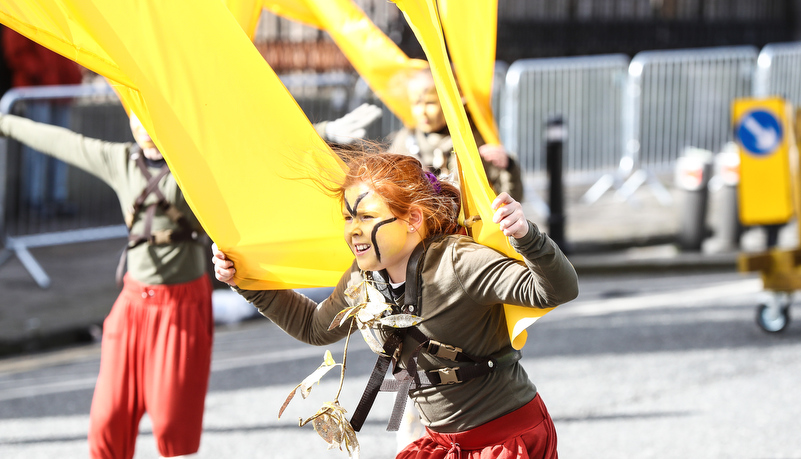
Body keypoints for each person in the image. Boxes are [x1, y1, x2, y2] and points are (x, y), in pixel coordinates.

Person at [212, 151, 578, 458]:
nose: (353, 230)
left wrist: (528, 237)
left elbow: (556, 290)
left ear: (412, 219)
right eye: (347, 218)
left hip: (504, 441)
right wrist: (244, 280)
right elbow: (315, 327)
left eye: (367, 217)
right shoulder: (364, 275)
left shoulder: (459, 262)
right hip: (443, 443)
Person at [0, 111, 213, 458]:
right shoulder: (120, 160)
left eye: (151, 116)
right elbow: (63, 142)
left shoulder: (197, 163)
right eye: (136, 117)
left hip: (182, 309)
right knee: (107, 423)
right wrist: (5, 122)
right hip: (132, 306)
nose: (144, 128)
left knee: (175, 429)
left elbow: (254, 146)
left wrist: (328, 131)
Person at [389, 67, 525, 202]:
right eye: (416, 103)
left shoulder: (472, 139)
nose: (422, 111)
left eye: (430, 102)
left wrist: (509, 167)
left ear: (449, 102)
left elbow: (510, 199)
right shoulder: (406, 140)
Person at [2, 28, 83, 216]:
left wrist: (72, 77)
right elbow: (15, 51)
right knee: (36, 148)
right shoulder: (24, 9)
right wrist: (41, 73)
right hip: (37, 90)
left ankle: (57, 197)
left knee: (63, 146)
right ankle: (35, 200)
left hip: (60, 89)